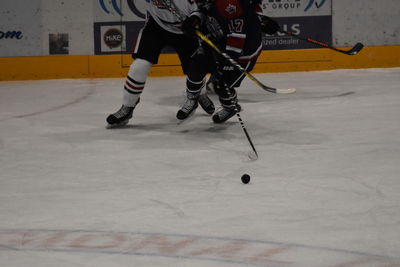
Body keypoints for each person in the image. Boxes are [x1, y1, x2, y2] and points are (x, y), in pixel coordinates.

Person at [106, 0, 215, 128]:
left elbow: (208, 7)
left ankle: (199, 94)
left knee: (195, 67)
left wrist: (196, 18)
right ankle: (127, 107)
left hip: (186, 28)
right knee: (139, 66)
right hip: (157, 26)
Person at [176, 0, 280, 123]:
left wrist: (228, 62)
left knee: (222, 85)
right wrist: (195, 19)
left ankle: (230, 107)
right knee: (196, 67)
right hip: (218, 41)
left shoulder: (229, 4)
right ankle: (192, 99)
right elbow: (204, 9)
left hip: (243, 53)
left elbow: (237, 34)